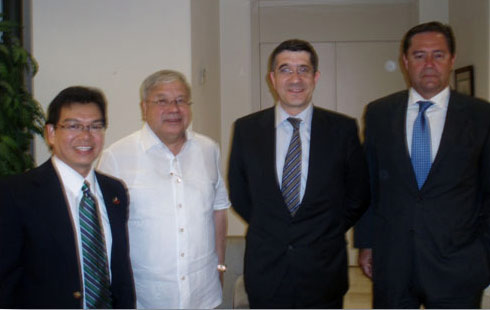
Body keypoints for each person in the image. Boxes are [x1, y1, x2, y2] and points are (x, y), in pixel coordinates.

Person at [355, 21, 490, 308]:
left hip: (459, 265)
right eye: (419, 55)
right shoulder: (379, 113)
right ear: (405, 61)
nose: (429, 63)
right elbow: (368, 184)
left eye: (438, 55)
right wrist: (366, 243)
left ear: (452, 60)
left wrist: (484, 253)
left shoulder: (481, 116)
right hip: (393, 263)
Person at [228, 39, 370, 308]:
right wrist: (275, 227)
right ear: (272, 78)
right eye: (285, 69)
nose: (295, 78)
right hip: (267, 271)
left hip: (323, 270)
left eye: (303, 69)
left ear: (315, 77)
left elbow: (359, 194)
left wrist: (325, 228)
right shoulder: (247, 130)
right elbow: (240, 193)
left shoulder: (342, 130)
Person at [98, 69, 229, 309]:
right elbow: (104, 232)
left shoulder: (209, 149)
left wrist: (220, 266)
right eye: (162, 101)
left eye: (180, 100)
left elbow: (218, 210)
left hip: (203, 294)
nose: (173, 109)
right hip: (146, 298)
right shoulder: (115, 157)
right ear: (144, 107)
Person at [0, 86, 136, 308]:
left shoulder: (115, 191)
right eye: (73, 126)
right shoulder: (16, 194)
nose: (86, 136)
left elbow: (120, 272)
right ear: (51, 133)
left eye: (95, 126)